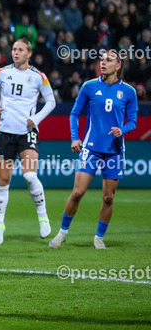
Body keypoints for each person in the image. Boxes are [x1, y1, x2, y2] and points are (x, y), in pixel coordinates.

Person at [49, 50, 137, 250]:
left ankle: (99, 237)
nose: (103, 63)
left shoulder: (129, 92)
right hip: (91, 148)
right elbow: (74, 113)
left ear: (118, 66)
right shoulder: (89, 87)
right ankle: (62, 233)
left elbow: (132, 122)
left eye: (109, 60)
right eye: (102, 59)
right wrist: (75, 137)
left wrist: (121, 130)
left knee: (108, 197)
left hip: (114, 150)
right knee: (78, 192)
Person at [0, 38, 56, 244]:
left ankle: (43, 217)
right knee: (2, 180)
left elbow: (51, 101)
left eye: (20, 50)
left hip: (27, 132)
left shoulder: (38, 77)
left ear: (29, 53)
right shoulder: (2, 73)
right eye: (14, 49)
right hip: (5, 133)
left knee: (30, 176)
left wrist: (37, 119)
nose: (15, 53)